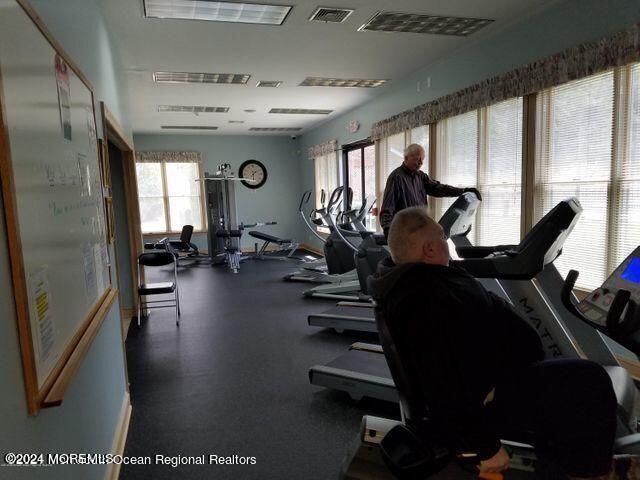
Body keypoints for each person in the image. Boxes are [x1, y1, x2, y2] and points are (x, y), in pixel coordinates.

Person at [368, 206, 637, 480]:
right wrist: (485, 446)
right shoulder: (426, 300)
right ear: (429, 250)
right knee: (590, 380)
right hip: (490, 397)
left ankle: (567, 459)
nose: (446, 244)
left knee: (571, 380)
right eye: (442, 238)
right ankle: (590, 473)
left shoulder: (418, 280)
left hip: (496, 379)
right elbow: (443, 382)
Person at [378, 143, 481, 236]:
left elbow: (439, 188)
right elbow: (387, 209)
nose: (421, 163)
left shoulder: (421, 176)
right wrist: (389, 231)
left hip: (421, 228)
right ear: (406, 158)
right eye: (418, 159)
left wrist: (463, 191)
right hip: (406, 232)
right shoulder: (396, 178)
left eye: (422, 159)